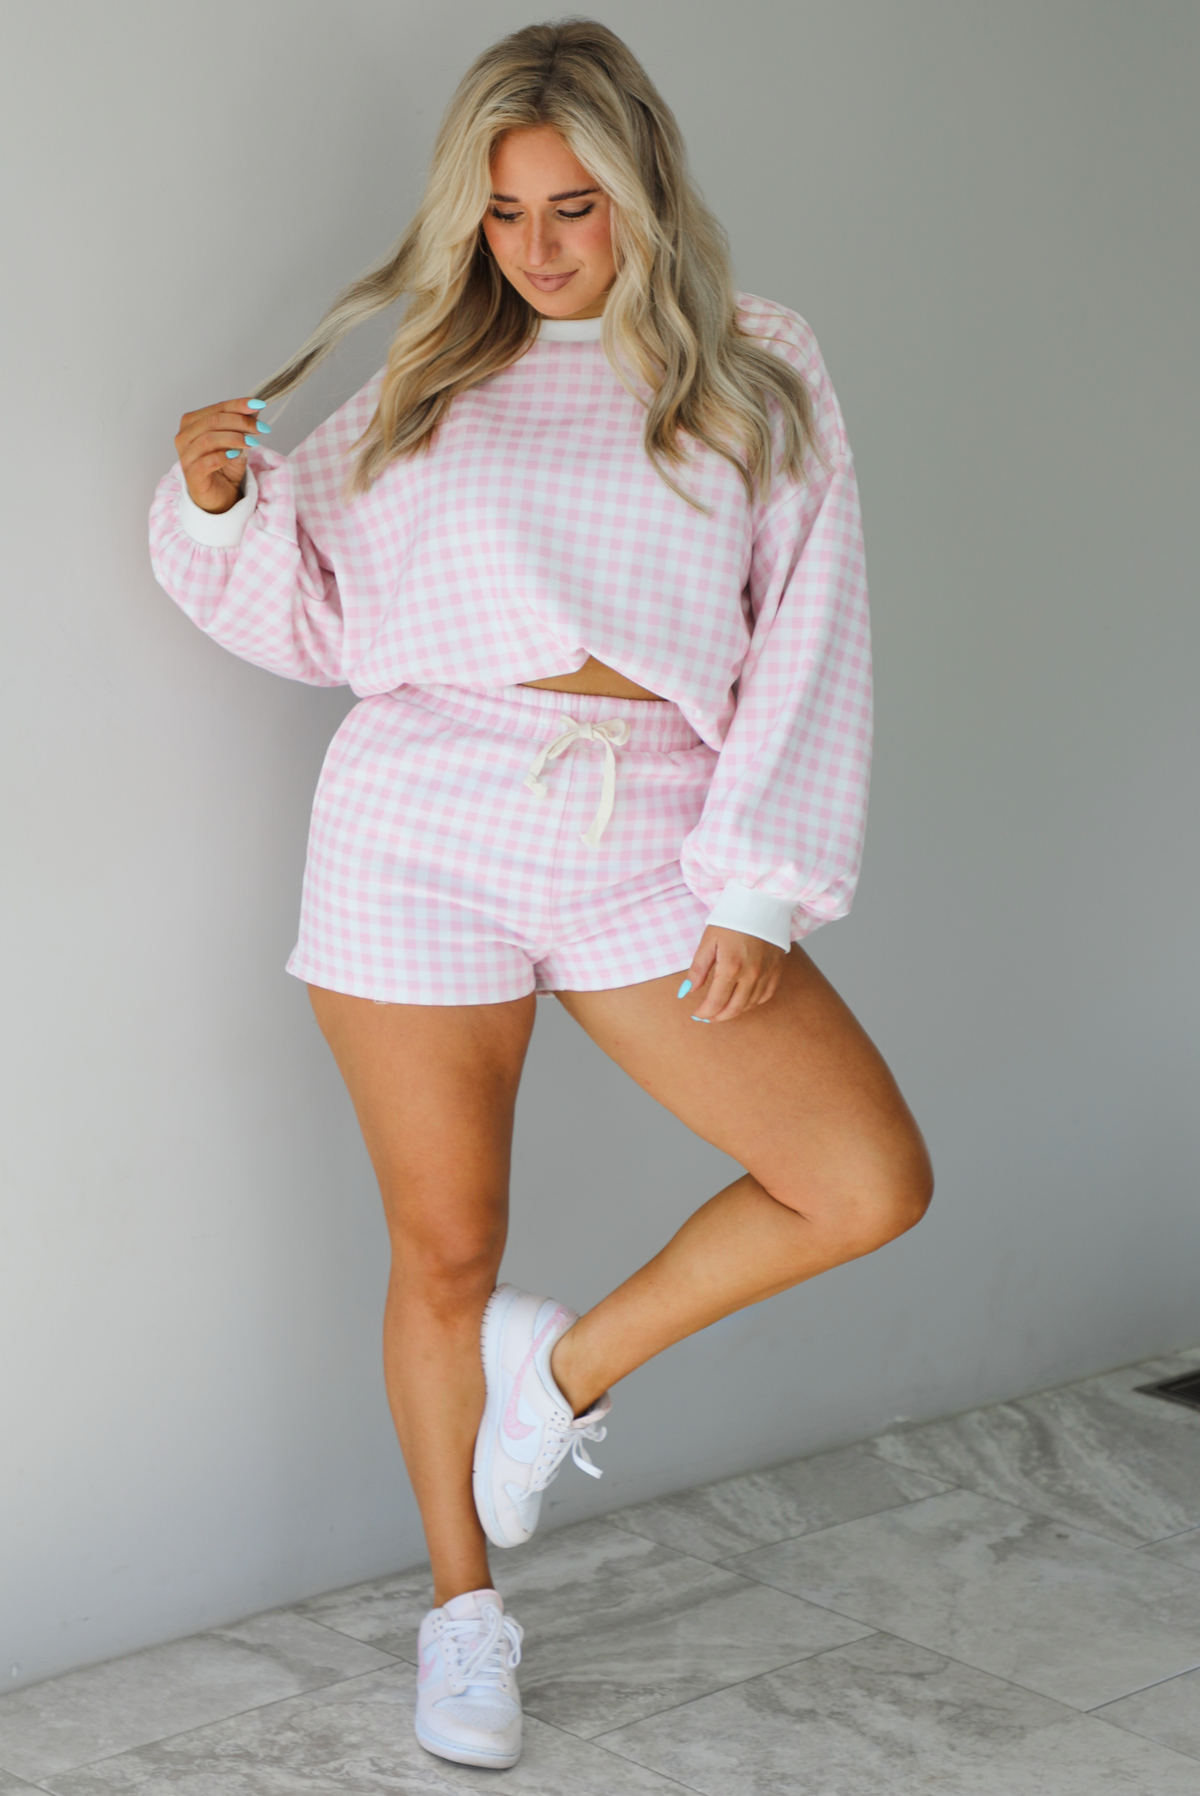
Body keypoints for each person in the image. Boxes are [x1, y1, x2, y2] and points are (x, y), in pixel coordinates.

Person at [150, 17, 932, 1773]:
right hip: (417, 819)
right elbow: (324, 620)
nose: (543, 246)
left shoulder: (755, 361)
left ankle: (560, 1376)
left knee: (862, 1180)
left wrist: (758, 889)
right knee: (444, 1249)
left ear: (644, 189)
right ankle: (461, 1615)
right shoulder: (433, 367)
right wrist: (220, 511)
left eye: (577, 204)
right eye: (506, 214)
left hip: (657, 818)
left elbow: (813, 634)